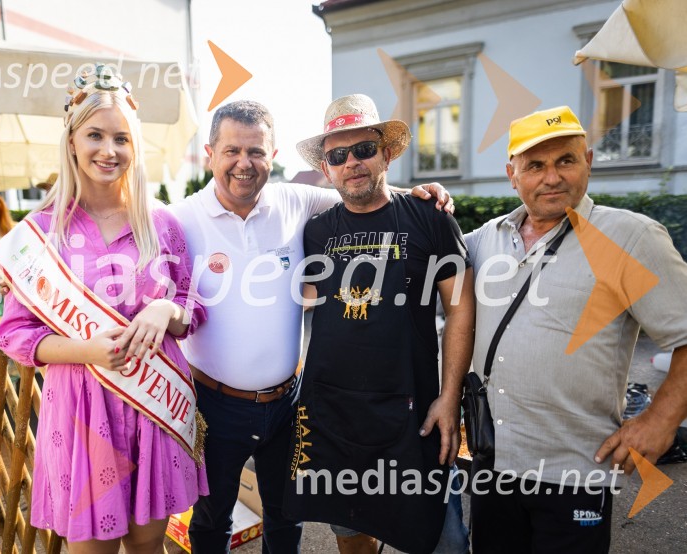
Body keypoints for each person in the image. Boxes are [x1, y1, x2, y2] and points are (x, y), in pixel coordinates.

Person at [167, 99, 454, 553]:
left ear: (272, 155)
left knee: (287, 517)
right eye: (232, 151)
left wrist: (423, 192)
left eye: (257, 151)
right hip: (214, 405)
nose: (245, 163)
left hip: (288, 403)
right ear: (210, 153)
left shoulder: (294, 200)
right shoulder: (178, 220)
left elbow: (364, 191)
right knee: (210, 520)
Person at [0, 65, 207, 554]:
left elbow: (191, 305)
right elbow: (13, 334)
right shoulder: (41, 234)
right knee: (91, 548)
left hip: (154, 404)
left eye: (122, 138)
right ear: (71, 141)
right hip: (83, 408)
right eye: (95, 135)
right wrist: (85, 348)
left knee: (150, 543)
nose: (109, 150)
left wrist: (164, 314)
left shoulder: (162, 225)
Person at [465, 106, 687, 553]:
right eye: (535, 166)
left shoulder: (631, 236)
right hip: (493, 465)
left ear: (587, 159)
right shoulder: (482, 240)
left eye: (565, 160)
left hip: (575, 470)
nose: (552, 177)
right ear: (512, 174)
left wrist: (661, 422)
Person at [284, 94, 475, 554]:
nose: (353, 163)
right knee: (351, 535)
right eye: (338, 155)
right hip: (335, 416)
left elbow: (462, 309)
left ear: (387, 153)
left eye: (364, 149)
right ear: (327, 168)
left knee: (441, 540)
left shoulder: (429, 216)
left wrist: (450, 399)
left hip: (413, 416)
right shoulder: (316, 231)